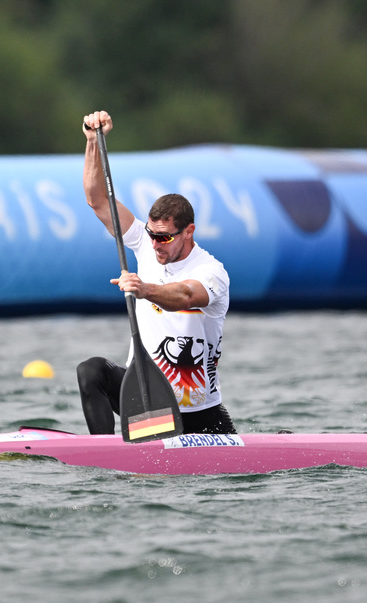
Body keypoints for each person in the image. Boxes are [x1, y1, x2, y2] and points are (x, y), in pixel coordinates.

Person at [77, 110, 236, 436]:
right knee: (90, 371)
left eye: (164, 237)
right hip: (146, 397)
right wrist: (93, 142)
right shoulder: (145, 244)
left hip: (198, 414)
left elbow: (186, 296)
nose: (155, 244)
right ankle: (107, 455)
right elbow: (97, 200)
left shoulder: (212, 272)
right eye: (151, 234)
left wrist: (144, 289)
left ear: (188, 231)